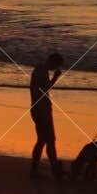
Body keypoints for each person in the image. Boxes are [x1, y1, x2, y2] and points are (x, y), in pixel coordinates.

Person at [28, 52, 65, 181]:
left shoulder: (40, 70)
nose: (56, 68)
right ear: (51, 61)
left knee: (48, 140)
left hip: (41, 109)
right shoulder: (41, 71)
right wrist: (55, 78)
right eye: (56, 65)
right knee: (45, 140)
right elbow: (44, 89)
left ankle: (52, 169)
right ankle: (38, 170)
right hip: (41, 110)